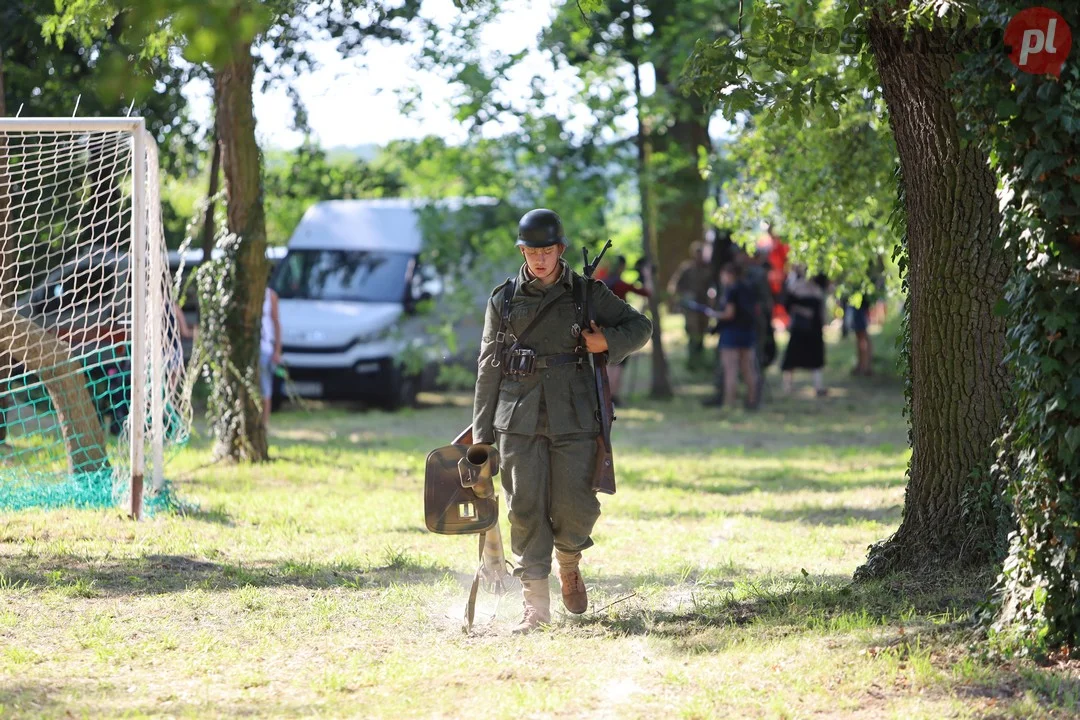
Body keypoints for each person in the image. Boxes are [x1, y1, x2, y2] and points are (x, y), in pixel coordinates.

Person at [472, 208, 652, 634]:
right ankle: (535, 605)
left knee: (576, 508)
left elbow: (640, 326)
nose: (539, 258)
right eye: (531, 250)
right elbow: (487, 368)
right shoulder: (505, 299)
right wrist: (481, 438)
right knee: (525, 509)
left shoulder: (587, 294)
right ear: (521, 250)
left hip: (574, 415)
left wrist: (606, 341)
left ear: (561, 250)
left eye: (547, 250)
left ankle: (569, 561)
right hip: (517, 417)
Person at [704, 262, 759, 409]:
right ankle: (752, 400)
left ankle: (729, 402)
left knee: (731, 370)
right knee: (748, 368)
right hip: (748, 332)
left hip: (731, 334)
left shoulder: (731, 290)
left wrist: (715, 314)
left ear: (729, 274)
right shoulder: (749, 287)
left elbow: (729, 314)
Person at [599, 255, 650, 405]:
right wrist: (647, 275)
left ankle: (606, 395)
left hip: (602, 329)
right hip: (619, 329)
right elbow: (647, 293)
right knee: (618, 364)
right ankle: (613, 396)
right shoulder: (621, 285)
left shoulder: (601, 282)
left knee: (607, 363)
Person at [781, 268, 828, 396]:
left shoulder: (817, 288)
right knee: (792, 357)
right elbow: (787, 305)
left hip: (814, 329)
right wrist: (802, 311)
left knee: (816, 358)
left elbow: (820, 309)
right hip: (799, 328)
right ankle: (787, 386)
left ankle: (818, 386)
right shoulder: (795, 287)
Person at [669, 242, 713, 372]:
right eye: (697, 252)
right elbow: (674, 285)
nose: (699, 255)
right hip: (691, 308)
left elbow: (712, 286)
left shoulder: (707, 268)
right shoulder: (686, 268)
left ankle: (700, 359)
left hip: (704, 306)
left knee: (702, 332)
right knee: (692, 333)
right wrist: (680, 299)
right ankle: (692, 361)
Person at [260, 282, 283, 430]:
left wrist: (277, 350)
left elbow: (276, 322)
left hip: (265, 347)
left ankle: (264, 425)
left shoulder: (270, 295)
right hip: (252, 346)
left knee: (264, 387)